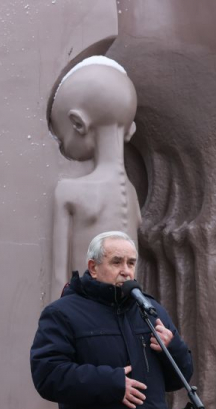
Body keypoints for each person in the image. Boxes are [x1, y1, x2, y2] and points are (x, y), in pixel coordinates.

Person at [30, 231, 193, 409]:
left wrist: (171, 347)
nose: (126, 271)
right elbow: (47, 374)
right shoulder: (63, 313)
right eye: (117, 262)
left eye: (131, 263)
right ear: (93, 268)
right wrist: (112, 383)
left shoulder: (150, 310)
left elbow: (181, 377)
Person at [48, 56, 142, 301]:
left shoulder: (69, 192)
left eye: (61, 137)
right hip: (124, 318)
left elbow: (59, 279)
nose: (63, 146)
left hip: (83, 318)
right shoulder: (131, 194)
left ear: (78, 123)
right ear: (130, 131)